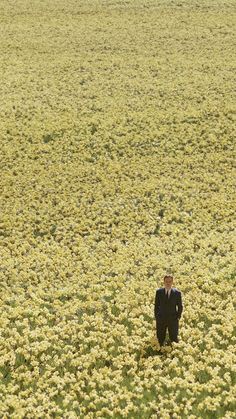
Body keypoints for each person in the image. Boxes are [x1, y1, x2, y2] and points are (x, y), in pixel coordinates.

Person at [154, 275, 183, 348]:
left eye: (170, 282)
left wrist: (177, 317)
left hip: (173, 320)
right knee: (160, 338)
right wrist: (157, 317)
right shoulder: (159, 292)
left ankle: (174, 354)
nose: (168, 283)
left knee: (174, 339)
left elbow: (180, 306)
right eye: (166, 281)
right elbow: (156, 306)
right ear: (164, 282)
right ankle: (159, 352)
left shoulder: (177, 293)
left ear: (172, 282)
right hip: (161, 319)